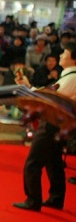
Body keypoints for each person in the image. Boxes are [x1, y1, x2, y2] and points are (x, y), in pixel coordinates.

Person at [13, 43, 76, 211]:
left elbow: (49, 98)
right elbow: (47, 94)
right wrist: (29, 87)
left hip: (52, 123)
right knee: (53, 161)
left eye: (65, 53)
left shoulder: (72, 78)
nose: (61, 55)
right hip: (58, 123)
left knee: (33, 162)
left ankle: (33, 200)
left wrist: (28, 88)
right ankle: (56, 198)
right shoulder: (69, 76)